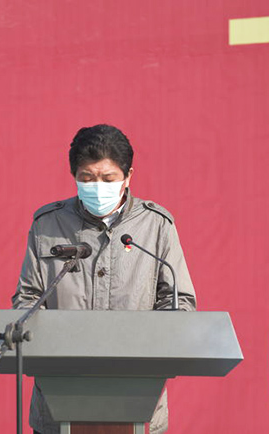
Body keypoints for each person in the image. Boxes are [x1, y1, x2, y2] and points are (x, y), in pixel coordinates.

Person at [12, 124, 197, 434]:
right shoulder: (48, 224)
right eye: (87, 178)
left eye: (108, 179)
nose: (97, 187)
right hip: (60, 394)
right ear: (73, 175)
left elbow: (179, 301)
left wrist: (153, 345)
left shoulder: (156, 225)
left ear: (128, 176)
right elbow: (28, 299)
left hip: (137, 395)